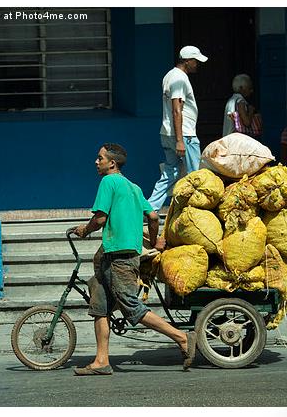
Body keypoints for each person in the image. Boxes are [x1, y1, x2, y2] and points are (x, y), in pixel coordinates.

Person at [73, 143, 196, 376]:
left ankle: (182, 338)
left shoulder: (108, 182)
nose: (96, 162)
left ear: (112, 163)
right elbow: (152, 215)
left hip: (121, 258)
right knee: (100, 306)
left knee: (131, 307)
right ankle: (101, 361)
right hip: (115, 256)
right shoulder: (133, 187)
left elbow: (99, 219)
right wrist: (155, 239)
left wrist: (84, 230)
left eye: (100, 158)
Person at [147, 45, 208, 212]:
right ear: (187, 61)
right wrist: (180, 140)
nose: (197, 64)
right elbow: (176, 109)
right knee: (194, 174)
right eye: (195, 61)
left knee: (170, 173)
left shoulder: (169, 76)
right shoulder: (179, 79)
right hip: (184, 135)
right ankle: (195, 211)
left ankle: (149, 208)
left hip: (167, 133)